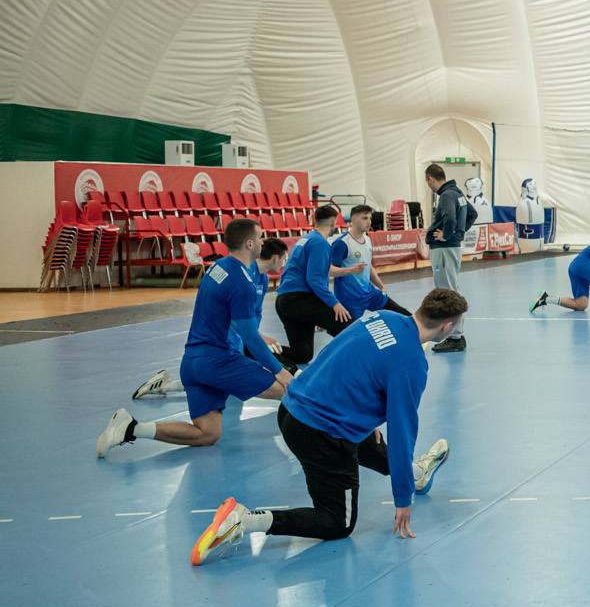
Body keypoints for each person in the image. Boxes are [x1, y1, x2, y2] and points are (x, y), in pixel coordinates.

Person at [188, 288, 463, 566]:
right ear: (447, 326)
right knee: (337, 523)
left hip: (293, 407)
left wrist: (370, 418)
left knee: (368, 438)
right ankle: (244, 520)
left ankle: (416, 473)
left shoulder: (383, 317)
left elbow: (336, 355)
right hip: (320, 432)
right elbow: (404, 433)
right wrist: (402, 498)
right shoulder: (412, 364)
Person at [98, 218, 292, 456]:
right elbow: (250, 336)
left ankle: (132, 428)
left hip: (193, 362)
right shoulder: (242, 282)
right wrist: (280, 371)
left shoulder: (217, 267)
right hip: (220, 360)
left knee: (208, 433)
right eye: (260, 237)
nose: (264, 242)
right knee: (291, 390)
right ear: (250, 243)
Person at [132, 236, 293, 400]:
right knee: (224, 381)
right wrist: (257, 337)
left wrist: (253, 335)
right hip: (224, 335)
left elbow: (255, 312)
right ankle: (166, 386)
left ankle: (165, 385)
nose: (285, 263)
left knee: (223, 383)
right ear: (275, 257)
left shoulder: (263, 279)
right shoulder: (242, 273)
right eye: (285, 258)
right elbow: (232, 315)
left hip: (239, 337)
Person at [274, 204, 351, 365]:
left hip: (284, 301)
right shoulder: (320, 243)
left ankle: (254, 352)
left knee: (302, 354)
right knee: (347, 325)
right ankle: (348, 365)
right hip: (299, 298)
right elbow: (314, 279)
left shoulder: (305, 239)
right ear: (332, 223)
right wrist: (333, 303)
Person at [330, 204, 410, 320]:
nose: (369, 222)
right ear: (353, 219)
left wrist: (381, 286)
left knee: (403, 315)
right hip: (350, 300)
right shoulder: (342, 243)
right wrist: (351, 270)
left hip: (369, 294)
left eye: (370, 218)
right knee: (354, 334)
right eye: (365, 218)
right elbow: (330, 270)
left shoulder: (367, 239)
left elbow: (368, 266)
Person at [423, 164, 469, 353]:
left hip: (444, 248)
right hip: (451, 247)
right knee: (451, 287)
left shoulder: (447, 195)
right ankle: (454, 334)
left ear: (430, 179)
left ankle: (456, 336)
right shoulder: (458, 193)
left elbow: (450, 217)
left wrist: (447, 235)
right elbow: (471, 214)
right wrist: (459, 233)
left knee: (447, 291)